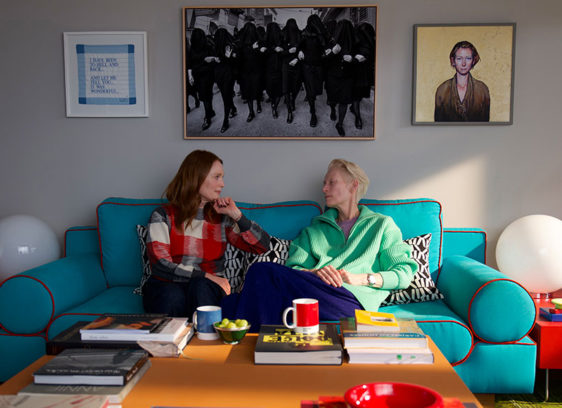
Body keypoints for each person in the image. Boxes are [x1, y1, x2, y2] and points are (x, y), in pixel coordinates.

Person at [222, 159, 418, 330]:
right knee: (242, 294)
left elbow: (404, 273)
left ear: (353, 186)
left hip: (352, 301)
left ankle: (246, 346)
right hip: (315, 292)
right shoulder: (314, 230)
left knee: (257, 278)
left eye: (331, 182)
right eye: (324, 183)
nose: (324, 189)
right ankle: (267, 349)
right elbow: (294, 270)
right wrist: (316, 273)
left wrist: (362, 279)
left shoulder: (381, 225)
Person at [143, 150, 271, 318]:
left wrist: (237, 216)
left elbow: (262, 246)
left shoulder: (221, 218)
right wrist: (206, 275)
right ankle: (174, 334)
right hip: (168, 284)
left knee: (201, 287)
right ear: (197, 177)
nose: (222, 184)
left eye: (222, 177)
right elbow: (161, 265)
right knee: (173, 296)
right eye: (217, 177)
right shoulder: (162, 215)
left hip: (206, 288)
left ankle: (205, 334)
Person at [434, 41, 490, 122]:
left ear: (473, 60)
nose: (463, 64)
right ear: (453, 61)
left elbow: (485, 125)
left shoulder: (482, 90)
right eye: (459, 58)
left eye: (468, 58)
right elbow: (438, 125)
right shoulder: (442, 90)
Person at [299, 14, 330, 127]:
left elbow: (326, 46)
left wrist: (320, 34)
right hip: (307, 66)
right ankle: (313, 113)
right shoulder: (304, 33)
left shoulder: (323, 34)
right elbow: (299, 45)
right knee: (311, 91)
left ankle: (311, 98)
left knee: (316, 89)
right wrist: (300, 51)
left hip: (319, 66)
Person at [188, 29, 216, 130]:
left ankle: (207, 118)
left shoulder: (206, 47)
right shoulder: (193, 48)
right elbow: (189, 63)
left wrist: (209, 59)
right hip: (200, 76)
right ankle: (210, 112)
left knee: (205, 96)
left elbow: (215, 60)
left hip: (206, 75)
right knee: (206, 95)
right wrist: (190, 76)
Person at [351, 22, 376, 130]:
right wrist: (355, 57)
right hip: (357, 72)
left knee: (361, 94)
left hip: (366, 72)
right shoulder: (354, 39)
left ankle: (353, 108)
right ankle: (358, 118)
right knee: (356, 95)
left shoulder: (372, 41)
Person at [213, 28, 238, 133]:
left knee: (225, 96)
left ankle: (225, 121)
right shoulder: (215, 47)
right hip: (220, 75)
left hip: (227, 74)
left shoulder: (229, 46)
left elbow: (230, 59)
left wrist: (230, 55)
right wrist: (214, 59)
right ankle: (233, 108)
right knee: (225, 95)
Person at [281, 18, 302, 124]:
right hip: (285, 65)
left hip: (297, 65)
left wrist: (297, 59)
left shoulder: (300, 35)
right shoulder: (282, 35)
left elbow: (303, 50)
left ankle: (292, 100)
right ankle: (289, 111)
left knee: (296, 86)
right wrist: (288, 51)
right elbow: (279, 53)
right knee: (286, 88)